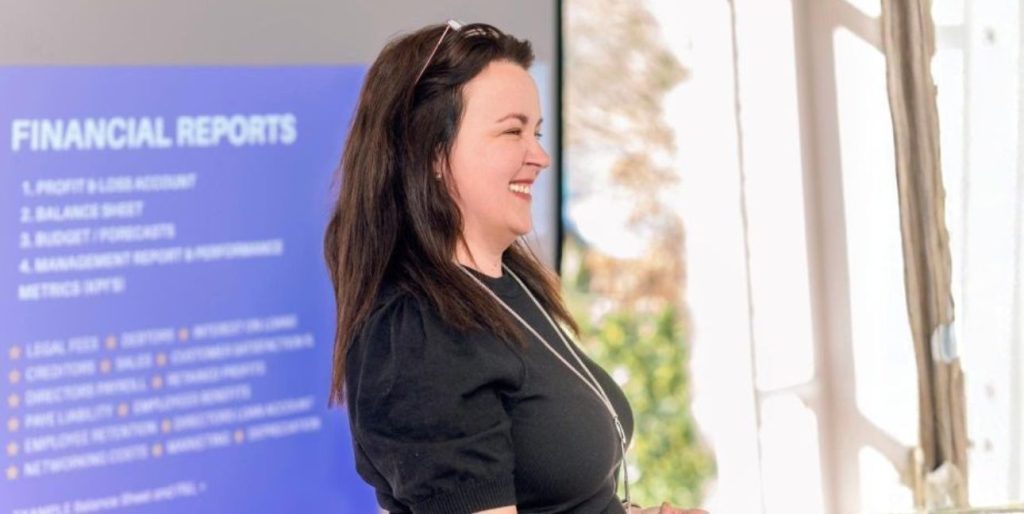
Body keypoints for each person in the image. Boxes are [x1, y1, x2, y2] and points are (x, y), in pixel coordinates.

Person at [323, 20, 708, 514]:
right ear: (432, 153)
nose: (540, 156)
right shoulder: (416, 338)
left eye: (537, 132)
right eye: (512, 132)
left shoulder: (510, 283)